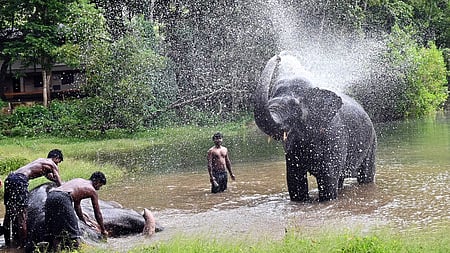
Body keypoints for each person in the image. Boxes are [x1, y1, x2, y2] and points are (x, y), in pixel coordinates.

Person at [2, 157, 62, 248]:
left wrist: (53, 180)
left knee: (8, 214)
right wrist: (63, 188)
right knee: (22, 217)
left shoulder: (40, 161)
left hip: (10, 178)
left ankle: (7, 244)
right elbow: (57, 178)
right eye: (59, 162)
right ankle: (23, 246)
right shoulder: (52, 164)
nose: (58, 164)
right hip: (20, 180)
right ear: (56, 158)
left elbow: (48, 176)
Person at [44, 171, 108, 251]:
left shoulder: (79, 181)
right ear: (97, 181)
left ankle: (56, 250)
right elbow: (97, 212)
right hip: (63, 198)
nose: (99, 188)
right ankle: (78, 250)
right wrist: (103, 230)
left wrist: (84, 220)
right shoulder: (92, 191)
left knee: (55, 232)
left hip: (51, 196)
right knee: (74, 233)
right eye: (100, 185)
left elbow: (77, 206)